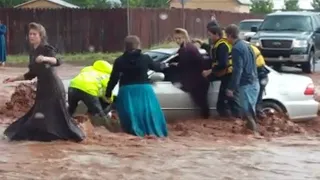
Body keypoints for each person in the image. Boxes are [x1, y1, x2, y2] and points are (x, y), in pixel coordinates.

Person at [3, 22, 85, 142]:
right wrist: (14, 79)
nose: (31, 36)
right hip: (43, 90)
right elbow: (31, 74)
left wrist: (45, 58)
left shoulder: (46, 48)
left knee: (53, 118)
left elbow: (58, 61)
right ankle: (48, 139)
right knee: (40, 118)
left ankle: (73, 137)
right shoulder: (32, 53)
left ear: (41, 36)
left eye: (34, 34)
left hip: (53, 89)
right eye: (30, 34)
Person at [105, 35, 168, 137]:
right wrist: (164, 65)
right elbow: (157, 67)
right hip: (144, 90)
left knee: (130, 114)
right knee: (149, 112)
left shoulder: (119, 61)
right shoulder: (145, 58)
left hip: (127, 91)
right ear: (139, 45)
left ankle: (133, 133)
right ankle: (154, 133)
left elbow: (113, 79)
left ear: (125, 46)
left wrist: (108, 93)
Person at [197, 26, 241, 118]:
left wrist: (210, 71)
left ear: (217, 34)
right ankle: (233, 118)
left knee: (223, 102)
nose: (209, 37)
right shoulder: (218, 44)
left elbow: (223, 63)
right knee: (225, 101)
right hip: (225, 75)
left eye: (210, 35)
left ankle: (232, 120)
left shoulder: (222, 46)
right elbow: (212, 51)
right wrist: (202, 44)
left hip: (229, 75)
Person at [225, 24, 260, 132]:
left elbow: (237, 70)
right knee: (250, 112)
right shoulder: (247, 46)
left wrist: (231, 88)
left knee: (247, 113)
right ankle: (253, 135)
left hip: (246, 85)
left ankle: (254, 135)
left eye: (226, 36)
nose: (226, 39)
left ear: (230, 35)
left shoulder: (236, 49)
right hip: (254, 82)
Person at [173, 28, 210, 119]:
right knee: (202, 105)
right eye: (176, 38)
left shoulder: (186, 49)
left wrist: (175, 65)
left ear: (185, 38)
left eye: (180, 38)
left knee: (202, 105)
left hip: (196, 82)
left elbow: (184, 65)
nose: (177, 41)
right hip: (196, 81)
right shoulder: (187, 48)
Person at [68, 60, 114, 127]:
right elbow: (107, 93)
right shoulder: (107, 76)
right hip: (89, 89)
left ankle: (66, 124)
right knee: (99, 113)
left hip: (72, 86)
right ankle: (108, 127)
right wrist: (110, 101)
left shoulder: (87, 70)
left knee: (71, 109)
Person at [244, 41, 270, 118]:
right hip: (261, 73)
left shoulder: (245, 49)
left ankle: (257, 114)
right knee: (257, 96)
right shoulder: (249, 47)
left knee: (255, 97)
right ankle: (257, 113)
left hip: (259, 74)